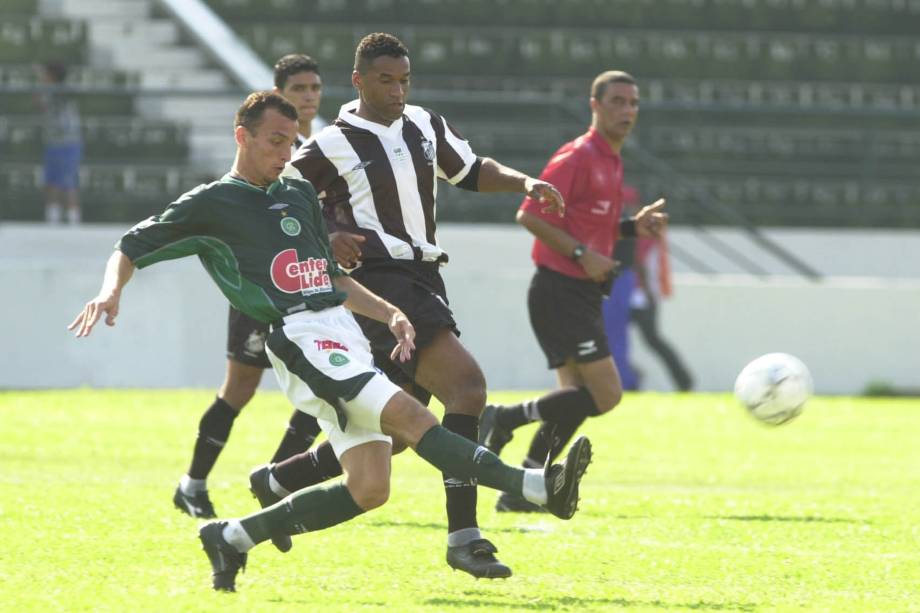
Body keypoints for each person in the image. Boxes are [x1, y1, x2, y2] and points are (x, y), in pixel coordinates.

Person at [68, 91, 592, 592]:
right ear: (241, 136)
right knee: (413, 417)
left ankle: (231, 537)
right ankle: (536, 487)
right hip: (299, 337)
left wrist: (389, 313)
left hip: (340, 330)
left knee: (370, 487)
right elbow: (132, 244)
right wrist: (110, 291)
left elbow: (331, 279)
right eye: (274, 140)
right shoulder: (215, 202)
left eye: (291, 141)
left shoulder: (297, 193)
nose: (285, 152)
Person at [249, 32, 568, 579]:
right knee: (467, 386)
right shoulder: (332, 143)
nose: (397, 91)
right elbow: (281, 202)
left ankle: (278, 481)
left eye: (404, 80)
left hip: (423, 278)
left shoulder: (425, 124)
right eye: (385, 81)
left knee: (395, 434)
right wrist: (329, 233)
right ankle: (465, 536)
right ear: (358, 81)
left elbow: (470, 171)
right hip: (379, 280)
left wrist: (526, 182)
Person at [477, 70, 667, 512]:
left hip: (577, 292)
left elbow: (587, 222)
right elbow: (529, 215)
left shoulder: (613, 159)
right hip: (559, 289)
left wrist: (630, 228)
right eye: (617, 101)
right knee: (606, 394)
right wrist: (583, 254)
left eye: (633, 103)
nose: (627, 110)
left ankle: (521, 490)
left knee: (573, 402)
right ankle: (504, 417)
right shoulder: (577, 156)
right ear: (595, 106)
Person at [172, 54, 326, 520]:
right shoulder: (269, 145)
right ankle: (192, 483)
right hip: (262, 288)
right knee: (239, 388)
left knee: (326, 388)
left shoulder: (324, 144)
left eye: (316, 88)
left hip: (308, 288)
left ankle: (277, 478)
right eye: (299, 89)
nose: (309, 97)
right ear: (280, 93)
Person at [629, 229, 694, 391]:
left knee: (651, 339)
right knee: (649, 339)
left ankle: (683, 380)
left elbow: (639, 262)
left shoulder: (645, 235)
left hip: (640, 295)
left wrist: (648, 291)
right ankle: (631, 375)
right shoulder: (652, 235)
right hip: (637, 294)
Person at [602, 185, 642, 391]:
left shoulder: (620, 221)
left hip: (616, 280)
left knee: (614, 333)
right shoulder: (628, 222)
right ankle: (623, 378)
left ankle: (624, 380)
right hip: (619, 279)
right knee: (615, 334)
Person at [37, 61, 82, 224]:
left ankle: (72, 219)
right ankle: (53, 219)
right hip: (54, 142)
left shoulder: (62, 92)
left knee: (68, 182)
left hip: (68, 142)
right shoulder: (49, 92)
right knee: (52, 180)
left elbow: (43, 105)